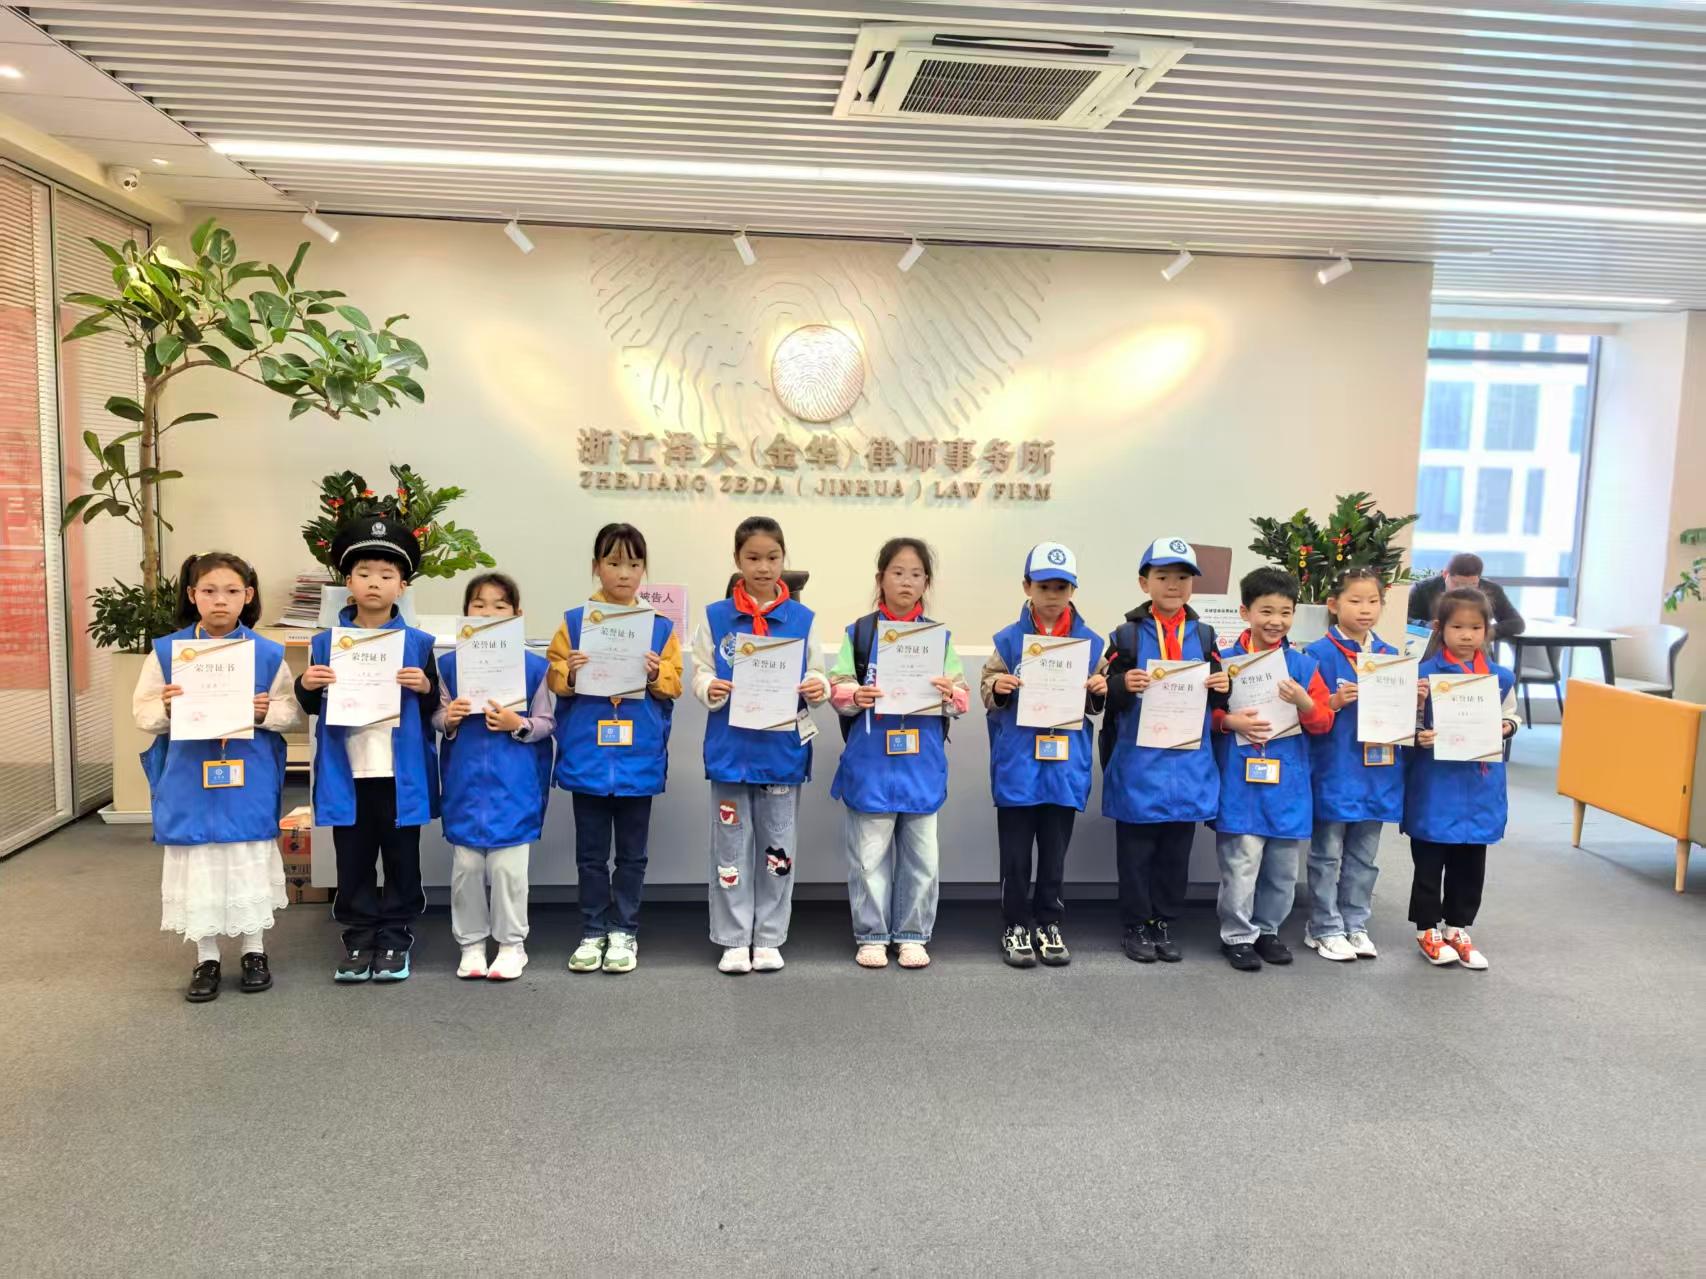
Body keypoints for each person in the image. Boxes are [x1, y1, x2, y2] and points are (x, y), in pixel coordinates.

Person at [134, 551, 301, 1002]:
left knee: (246, 854)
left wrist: (265, 713)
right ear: (193, 595)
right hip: (189, 775)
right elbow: (143, 714)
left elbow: (290, 712)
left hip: (248, 773)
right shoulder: (167, 652)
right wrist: (166, 707)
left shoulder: (267, 654)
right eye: (209, 591)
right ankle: (206, 957)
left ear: (248, 595)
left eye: (231, 591)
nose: (220, 600)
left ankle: (253, 951)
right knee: (200, 860)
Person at [296, 519, 439, 984]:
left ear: (402, 585)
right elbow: (311, 704)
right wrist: (307, 683)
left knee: (402, 858)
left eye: (385, 574)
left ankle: (395, 936)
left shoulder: (419, 644)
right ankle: (358, 937)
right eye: (363, 573)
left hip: (398, 772)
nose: (374, 582)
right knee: (353, 859)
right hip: (348, 770)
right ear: (348, 582)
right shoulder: (325, 643)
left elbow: (436, 708)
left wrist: (425, 687)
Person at [690, 516, 829, 974]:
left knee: (778, 849)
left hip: (781, 752)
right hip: (731, 750)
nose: (763, 567)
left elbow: (819, 674)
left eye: (772, 557)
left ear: (783, 559)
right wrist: (707, 687)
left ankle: (768, 936)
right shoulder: (715, 617)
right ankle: (733, 938)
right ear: (737, 560)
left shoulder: (803, 620)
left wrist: (818, 687)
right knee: (729, 847)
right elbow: (700, 670)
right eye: (753, 558)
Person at [828, 537, 970, 970]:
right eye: (898, 573)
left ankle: (912, 935)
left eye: (916, 574)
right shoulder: (859, 633)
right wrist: (856, 694)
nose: (907, 581)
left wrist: (949, 694)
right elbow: (837, 689)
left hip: (921, 763)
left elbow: (962, 698)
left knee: (922, 859)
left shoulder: (939, 638)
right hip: (871, 762)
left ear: (926, 582)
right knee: (868, 858)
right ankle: (871, 934)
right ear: (881, 579)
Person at [548, 524, 682, 975]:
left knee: (631, 855)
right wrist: (569, 671)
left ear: (644, 569)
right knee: (589, 855)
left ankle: (624, 930)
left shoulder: (660, 629)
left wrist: (655, 673)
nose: (624, 573)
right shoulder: (574, 623)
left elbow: (674, 685)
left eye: (634, 564)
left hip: (637, 759)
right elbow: (554, 680)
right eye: (613, 563)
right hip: (588, 756)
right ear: (596, 567)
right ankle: (592, 930)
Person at [1099, 537, 1229, 964]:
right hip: (1141, 764)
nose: (1174, 585)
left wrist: (1223, 687)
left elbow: (1219, 698)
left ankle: (1164, 921)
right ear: (1144, 583)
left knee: (1176, 853)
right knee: (1136, 853)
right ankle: (1136, 924)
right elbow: (1102, 694)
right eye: (1163, 576)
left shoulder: (1205, 636)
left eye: (1183, 577)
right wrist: (1122, 684)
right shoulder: (1126, 636)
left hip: (1188, 764)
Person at [980, 542, 1108, 969]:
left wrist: (1099, 691)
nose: (1052, 595)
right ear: (1027, 587)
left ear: (1072, 590)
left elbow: (1097, 701)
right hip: (1019, 763)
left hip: (1064, 766)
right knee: (1016, 856)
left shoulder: (1091, 644)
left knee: (1054, 854)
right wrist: (997, 688)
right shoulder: (1008, 640)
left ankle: (1049, 921)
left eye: (1061, 587)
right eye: (1043, 586)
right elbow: (987, 687)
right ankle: (1015, 924)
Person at [1213, 567, 1336, 972]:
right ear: (1245, 612)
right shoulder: (1225, 663)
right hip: (1241, 779)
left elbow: (1323, 723)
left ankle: (1268, 930)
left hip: (1288, 783)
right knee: (1241, 864)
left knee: (1283, 868)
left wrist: (1304, 702)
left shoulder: (1303, 666)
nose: (1276, 621)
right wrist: (1228, 721)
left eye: (1285, 612)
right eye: (1266, 611)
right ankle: (1238, 935)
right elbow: (1202, 715)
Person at [437, 572, 555, 982]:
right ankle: (471, 944)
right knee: (467, 867)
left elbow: (546, 722)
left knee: (508, 870)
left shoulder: (535, 667)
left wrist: (516, 723)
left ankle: (510, 944)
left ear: (517, 615)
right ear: (465, 613)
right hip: (466, 783)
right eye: (479, 605)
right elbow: (437, 715)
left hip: (513, 783)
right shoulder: (449, 666)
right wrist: (448, 718)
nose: (488, 613)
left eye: (499, 606)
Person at [1404, 587, 1520, 970]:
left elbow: (1512, 715)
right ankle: (1427, 929)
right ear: (1440, 628)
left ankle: (1457, 926)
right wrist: (1419, 731)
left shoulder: (1500, 677)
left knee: (1471, 860)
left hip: (1481, 784)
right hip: (1436, 784)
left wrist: (1506, 726)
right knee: (1430, 859)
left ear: (1487, 630)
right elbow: (1407, 724)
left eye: (1475, 627)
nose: (1467, 635)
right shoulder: (1423, 675)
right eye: (1457, 627)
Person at [1302, 567, 1405, 962]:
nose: (1365, 609)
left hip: (1378, 770)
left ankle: (1355, 922)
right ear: (1333, 604)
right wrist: (1333, 701)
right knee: (1327, 854)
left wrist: (1412, 701)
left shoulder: (1390, 657)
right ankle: (1323, 926)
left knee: (1364, 856)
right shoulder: (1317, 654)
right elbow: (1306, 713)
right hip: (1335, 766)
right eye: (1355, 601)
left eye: (1373, 601)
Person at [1406, 553, 1526, 638]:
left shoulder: (1491, 590)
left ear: (1479, 578)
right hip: (1433, 646)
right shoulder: (1423, 589)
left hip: (1477, 649)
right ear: (1445, 574)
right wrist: (1427, 626)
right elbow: (1405, 620)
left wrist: (1484, 631)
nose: (1464, 590)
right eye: (1457, 584)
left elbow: (1516, 623)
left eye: (1472, 585)